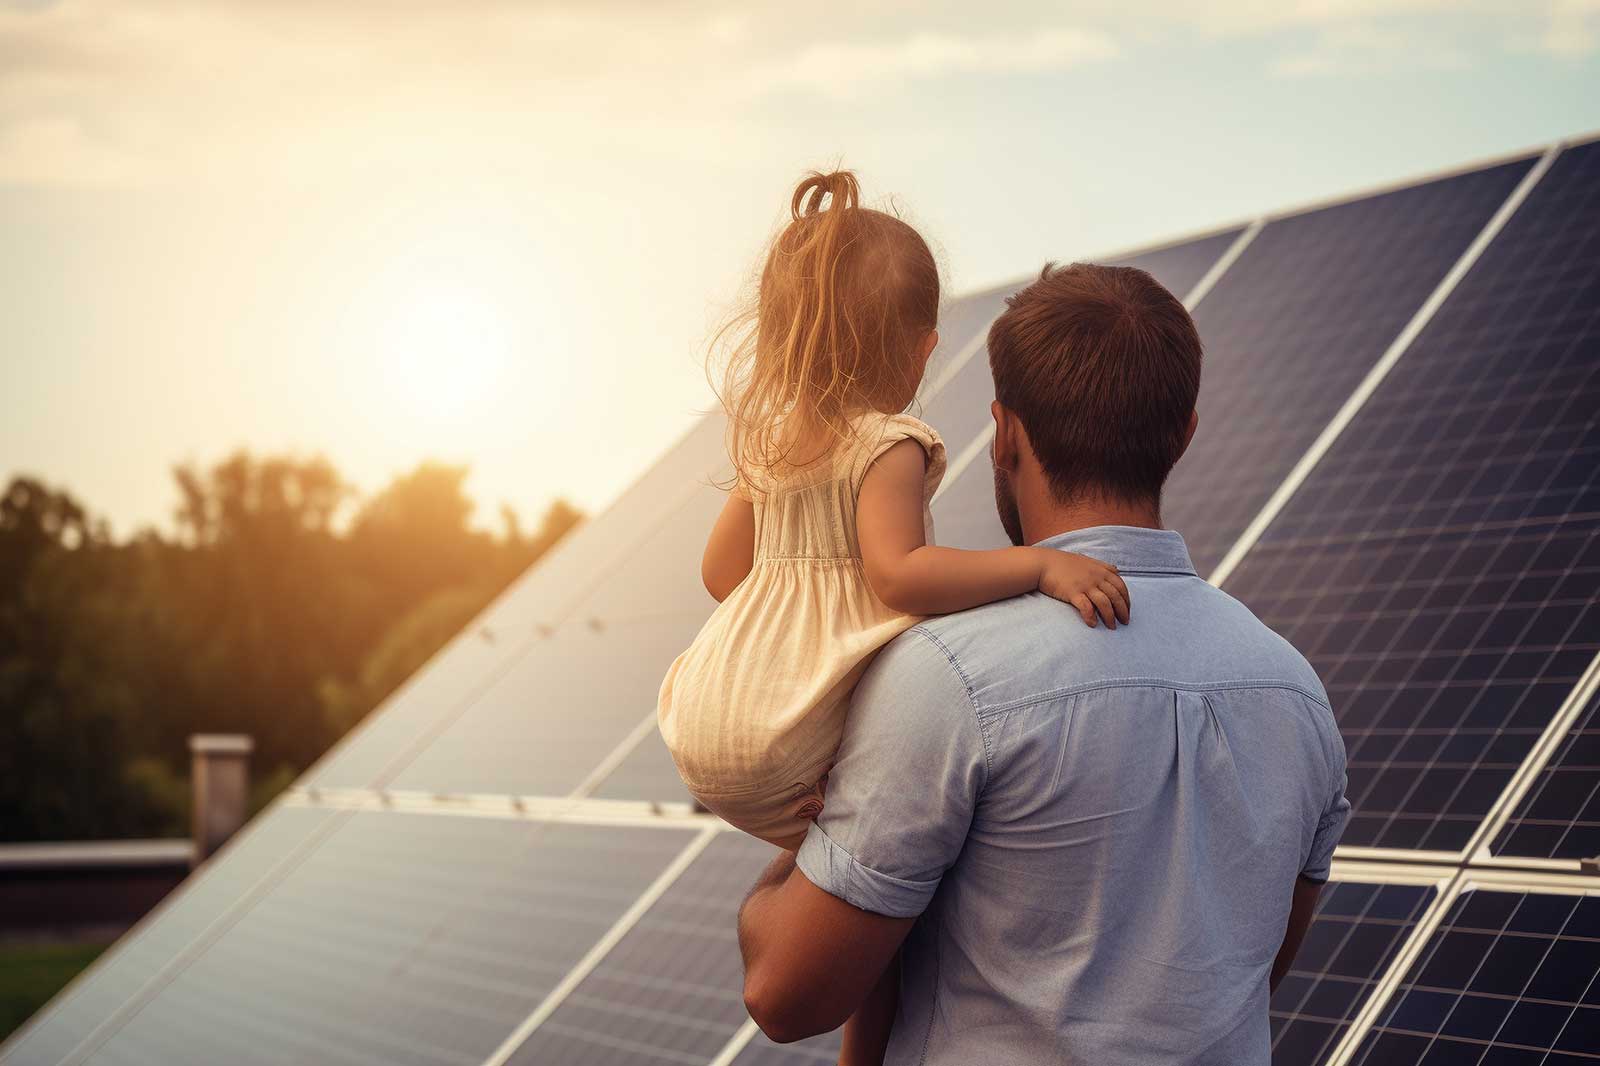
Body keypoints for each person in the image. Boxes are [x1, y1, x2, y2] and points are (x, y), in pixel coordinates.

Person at [736, 262, 1353, 1066]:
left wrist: (795, 837)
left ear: (1007, 433)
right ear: (1185, 432)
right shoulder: (1299, 696)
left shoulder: (949, 677)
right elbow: (1248, 975)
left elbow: (785, 995)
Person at [656, 171, 1130, 1065]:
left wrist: (789, 607)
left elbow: (723, 574)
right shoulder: (889, 443)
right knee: (896, 908)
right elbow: (901, 574)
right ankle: (862, 1057)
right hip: (783, 745)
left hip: (707, 719)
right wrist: (1037, 566)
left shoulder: (770, 443)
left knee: (873, 892)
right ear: (922, 350)